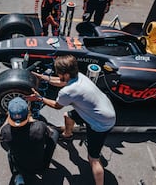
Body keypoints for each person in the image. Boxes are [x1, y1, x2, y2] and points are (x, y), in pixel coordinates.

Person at [27, 55, 116, 185]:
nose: (57, 73)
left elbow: (56, 106)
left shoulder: (68, 92)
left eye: (58, 72)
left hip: (100, 123)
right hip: (101, 110)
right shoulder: (79, 76)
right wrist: (42, 77)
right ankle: (67, 134)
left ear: (66, 74)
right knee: (68, 116)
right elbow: (61, 81)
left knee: (93, 159)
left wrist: (39, 98)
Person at [0, 97, 59, 185]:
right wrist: (32, 120)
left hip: (20, 165)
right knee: (55, 133)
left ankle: (18, 175)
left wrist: (9, 118)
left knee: (10, 152)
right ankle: (46, 164)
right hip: (39, 164)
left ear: (9, 115)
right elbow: (51, 132)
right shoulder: (39, 127)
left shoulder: (5, 132)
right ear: (27, 113)